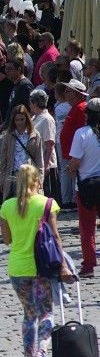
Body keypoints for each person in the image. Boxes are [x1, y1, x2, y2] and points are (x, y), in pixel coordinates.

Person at [0, 165, 70, 357]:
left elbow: (7, 240)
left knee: (29, 314)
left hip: (18, 268)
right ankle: (42, 350)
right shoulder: (47, 204)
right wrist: (64, 266)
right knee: (46, 313)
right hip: (42, 267)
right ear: (38, 182)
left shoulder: (7, 207)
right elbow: (55, 237)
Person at [67, 97, 100, 278]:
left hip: (86, 186)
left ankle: (88, 266)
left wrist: (71, 169)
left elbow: (75, 162)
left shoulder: (82, 134)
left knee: (87, 228)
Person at [0, 105, 43, 200]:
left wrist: (40, 178)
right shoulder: (8, 136)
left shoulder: (34, 134)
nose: (20, 122)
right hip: (14, 173)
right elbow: (3, 159)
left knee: (30, 201)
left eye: (22, 119)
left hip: (29, 173)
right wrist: (2, 179)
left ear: (27, 118)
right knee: (15, 202)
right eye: (17, 120)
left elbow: (39, 158)